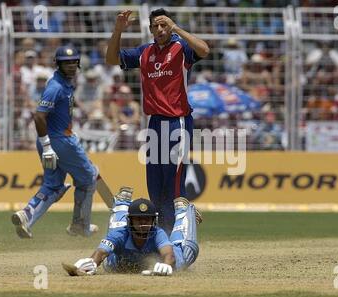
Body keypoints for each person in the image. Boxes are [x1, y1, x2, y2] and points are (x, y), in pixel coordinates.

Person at [106, 8, 209, 235]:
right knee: (155, 186)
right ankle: (162, 236)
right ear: (151, 29)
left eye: (164, 25)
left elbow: (204, 49)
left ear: (170, 26)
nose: (161, 30)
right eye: (156, 26)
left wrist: (177, 29)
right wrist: (118, 31)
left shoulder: (181, 47)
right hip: (154, 124)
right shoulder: (145, 52)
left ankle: (179, 236)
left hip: (177, 122)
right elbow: (111, 58)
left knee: (174, 184)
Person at [11, 46, 99, 239]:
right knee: (89, 178)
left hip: (53, 140)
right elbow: (39, 117)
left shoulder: (65, 83)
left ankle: (27, 215)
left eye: (74, 62)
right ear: (58, 64)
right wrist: (48, 146)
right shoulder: (55, 87)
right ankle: (79, 225)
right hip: (59, 142)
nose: (71, 66)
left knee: (53, 185)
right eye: (66, 62)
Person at [63, 191, 201, 276]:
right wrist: (92, 262)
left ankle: (184, 213)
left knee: (186, 253)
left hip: (170, 258)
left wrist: (166, 265)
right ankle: (122, 204)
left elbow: (169, 255)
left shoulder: (158, 233)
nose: (142, 224)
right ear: (130, 220)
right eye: (138, 219)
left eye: (147, 219)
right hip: (120, 264)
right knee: (111, 262)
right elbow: (101, 252)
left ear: (154, 220)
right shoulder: (119, 234)